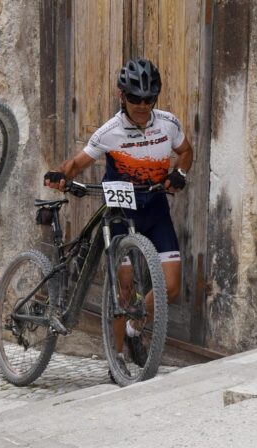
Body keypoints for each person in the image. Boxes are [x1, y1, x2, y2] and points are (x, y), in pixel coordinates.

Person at [44, 57, 193, 374]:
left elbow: (186, 151)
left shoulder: (168, 123)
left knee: (172, 286)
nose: (141, 105)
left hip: (155, 210)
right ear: (120, 96)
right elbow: (76, 164)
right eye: (134, 98)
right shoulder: (109, 132)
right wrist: (59, 176)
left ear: (155, 97)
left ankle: (134, 329)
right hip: (120, 213)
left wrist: (181, 173)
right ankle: (117, 360)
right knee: (123, 287)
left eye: (148, 98)